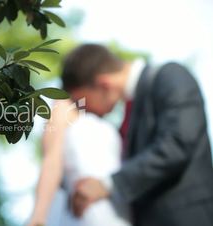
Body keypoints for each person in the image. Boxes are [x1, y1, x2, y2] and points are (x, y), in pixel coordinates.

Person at [68, 44, 213, 226]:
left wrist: (108, 184)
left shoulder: (171, 76)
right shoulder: (131, 107)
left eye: (83, 101)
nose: (86, 110)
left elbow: (178, 144)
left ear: (103, 84)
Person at [27, 45, 132, 226]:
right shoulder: (64, 106)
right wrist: (38, 218)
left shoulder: (105, 121)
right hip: (87, 213)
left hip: (118, 207)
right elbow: (52, 161)